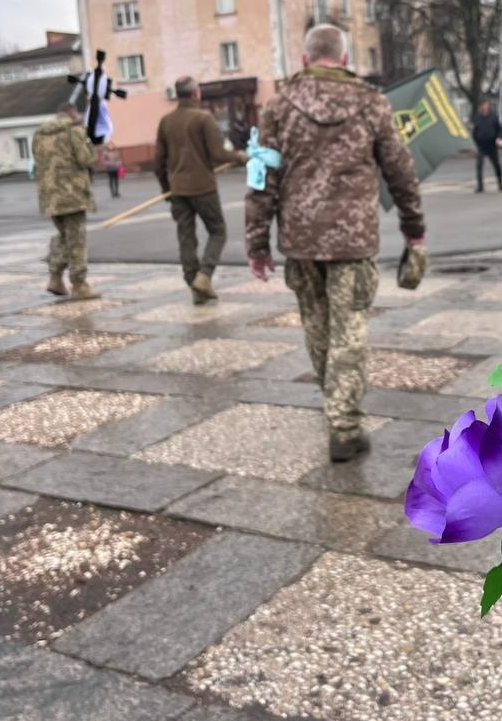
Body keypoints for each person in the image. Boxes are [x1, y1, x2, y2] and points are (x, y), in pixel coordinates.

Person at [247, 24, 426, 462]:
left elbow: (262, 177)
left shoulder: (277, 106)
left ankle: (337, 408)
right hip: (354, 240)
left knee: (317, 327)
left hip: (301, 239)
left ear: (305, 59)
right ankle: (344, 424)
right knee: (349, 329)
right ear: (345, 59)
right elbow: (400, 169)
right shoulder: (371, 102)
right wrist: (413, 226)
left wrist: (257, 243)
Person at [155, 76, 248, 304]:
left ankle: (194, 284)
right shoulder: (203, 118)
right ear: (196, 93)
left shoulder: (166, 121)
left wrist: (167, 189)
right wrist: (240, 156)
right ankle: (204, 276)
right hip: (203, 187)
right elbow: (219, 153)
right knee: (218, 231)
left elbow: (158, 163)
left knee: (186, 238)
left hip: (178, 190)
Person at [33, 103, 99, 300]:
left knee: (65, 238)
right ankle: (79, 284)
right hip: (72, 194)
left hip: (50, 196)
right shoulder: (75, 131)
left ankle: (55, 277)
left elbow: (37, 159)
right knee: (77, 240)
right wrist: (88, 139)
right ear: (73, 114)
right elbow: (86, 159)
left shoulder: (39, 134)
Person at [472, 99, 502, 193]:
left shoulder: (493, 117)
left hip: (491, 144)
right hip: (481, 145)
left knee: (496, 164)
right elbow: (474, 132)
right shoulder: (477, 118)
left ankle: (500, 184)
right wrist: (475, 144)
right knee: (479, 165)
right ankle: (480, 186)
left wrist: (498, 139)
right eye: (482, 105)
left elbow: (499, 130)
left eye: (486, 105)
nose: (484, 107)